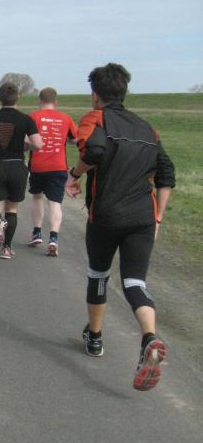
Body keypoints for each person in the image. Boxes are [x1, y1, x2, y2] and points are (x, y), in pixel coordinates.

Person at [66, 63, 174, 391]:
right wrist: (158, 217)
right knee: (134, 281)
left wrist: (75, 174)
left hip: (107, 215)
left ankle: (95, 338)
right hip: (143, 217)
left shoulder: (95, 118)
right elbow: (167, 173)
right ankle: (149, 338)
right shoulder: (147, 128)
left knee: (99, 274)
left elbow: (95, 150)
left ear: (95, 94)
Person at [0, 83, 42, 259]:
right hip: (18, 166)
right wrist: (25, 144)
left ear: (0, 98)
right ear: (18, 97)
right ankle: (7, 248)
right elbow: (38, 145)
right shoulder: (26, 119)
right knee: (12, 208)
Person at [26, 87, 78, 256]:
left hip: (38, 165)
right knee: (55, 202)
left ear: (40, 100)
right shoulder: (66, 118)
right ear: (56, 102)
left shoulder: (33, 117)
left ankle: (37, 232)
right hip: (58, 166)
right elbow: (76, 139)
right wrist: (65, 140)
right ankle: (53, 237)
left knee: (37, 197)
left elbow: (26, 140)